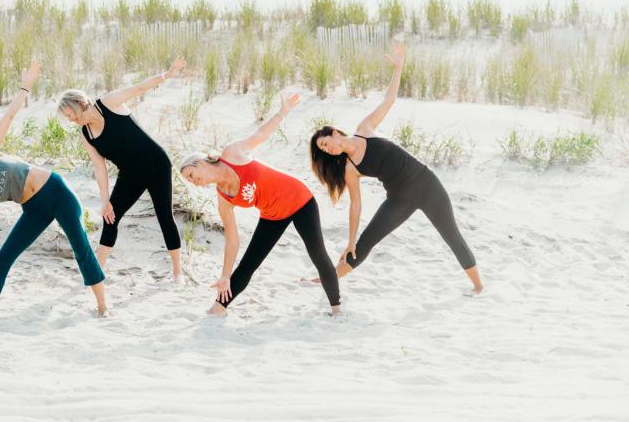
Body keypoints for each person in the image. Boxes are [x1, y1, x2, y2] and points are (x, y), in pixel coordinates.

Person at [0, 60, 108, 315]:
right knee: (5, 255)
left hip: (56, 192)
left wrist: (25, 89)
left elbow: (8, 117)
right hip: (34, 208)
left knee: (81, 248)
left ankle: (103, 307)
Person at [307, 41, 483, 294]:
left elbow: (389, 101)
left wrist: (398, 68)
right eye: (324, 150)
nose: (329, 149)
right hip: (398, 198)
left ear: (335, 133)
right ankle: (329, 279)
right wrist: (350, 241)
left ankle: (478, 287)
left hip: (427, 185)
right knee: (364, 243)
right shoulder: (350, 168)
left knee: (452, 236)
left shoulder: (365, 129)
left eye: (326, 143)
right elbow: (356, 205)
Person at [179, 92, 341, 315]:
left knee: (318, 254)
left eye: (190, 174)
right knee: (248, 264)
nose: (193, 182)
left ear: (199, 163)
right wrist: (225, 275)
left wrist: (282, 112)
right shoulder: (223, 198)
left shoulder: (232, 153)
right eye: (189, 181)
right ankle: (218, 307)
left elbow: (260, 134)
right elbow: (232, 241)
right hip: (273, 214)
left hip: (300, 199)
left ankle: (336, 309)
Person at [56, 56, 185, 284]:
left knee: (164, 216)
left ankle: (177, 271)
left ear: (77, 106)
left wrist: (168, 74)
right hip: (130, 175)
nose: (69, 120)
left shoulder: (108, 103)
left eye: (69, 115)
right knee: (110, 218)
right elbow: (100, 167)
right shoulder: (86, 135)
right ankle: (97, 271)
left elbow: (140, 87)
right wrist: (105, 200)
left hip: (156, 164)